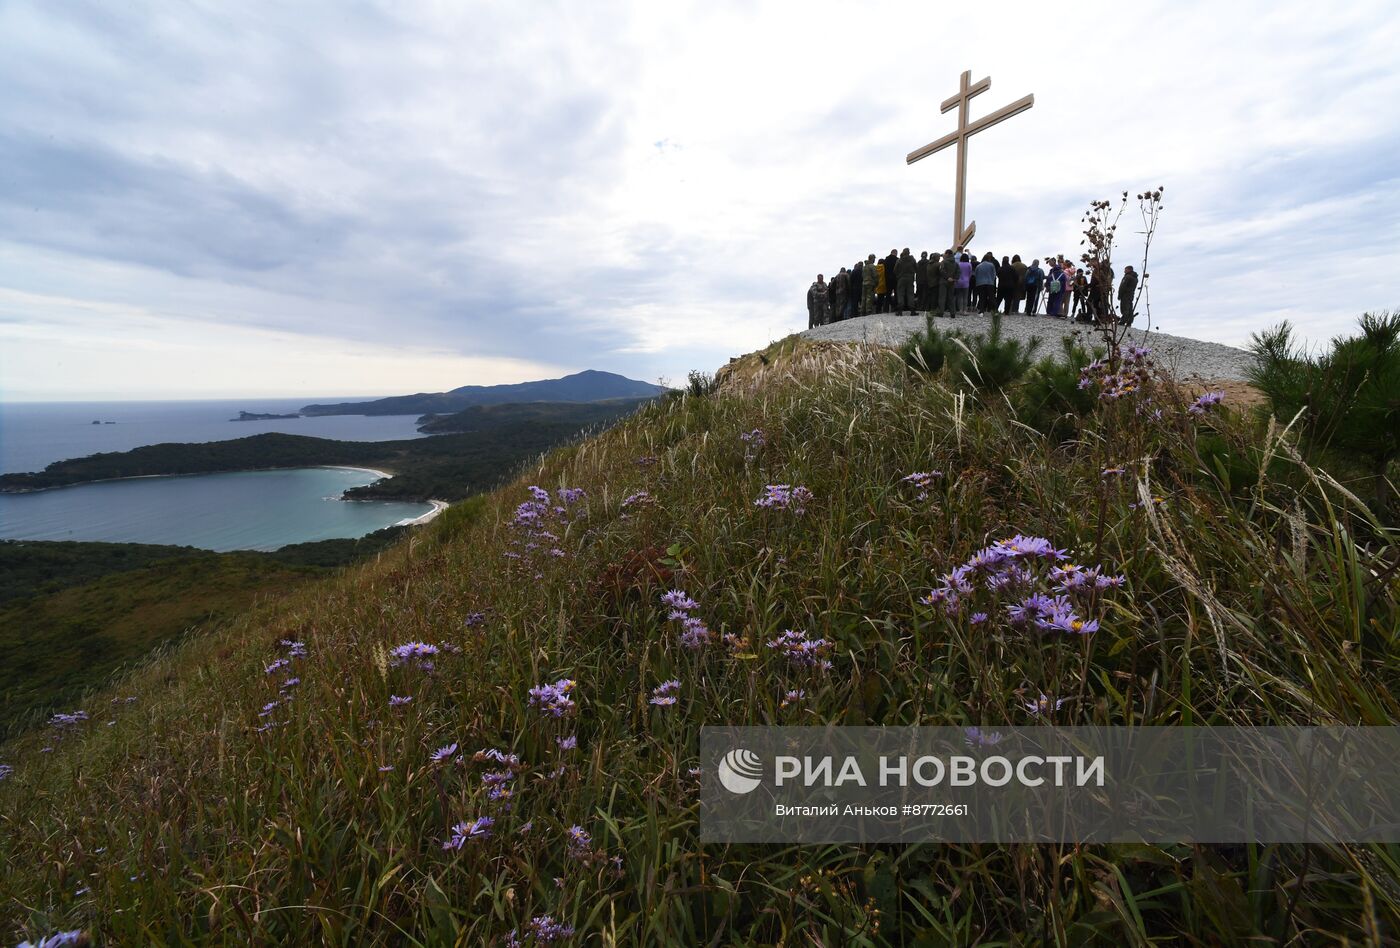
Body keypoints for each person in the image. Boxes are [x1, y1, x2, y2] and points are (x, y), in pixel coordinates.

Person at [895, 248, 917, 314]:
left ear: (903, 253)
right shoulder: (913, 260)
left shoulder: (899, 260)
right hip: (910, 279)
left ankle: (900, 311)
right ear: (909, 252)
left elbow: (895, 270)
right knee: (910, 294)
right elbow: (916, 268)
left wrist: (898, 276)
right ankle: (912, 310)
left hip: (901, 279)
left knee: (900, 294)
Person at [939, 249, 960, 318]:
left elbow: (941, 271)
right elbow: (958, 272)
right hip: (952, 282)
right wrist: (954, 279)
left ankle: (941, 312)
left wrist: (947, 277)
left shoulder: (943, 262)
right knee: (951, 298)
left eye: (945, 253)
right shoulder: (956, 263)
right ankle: (952, 313)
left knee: (942, 297)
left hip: (944, 282)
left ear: (947, 254)